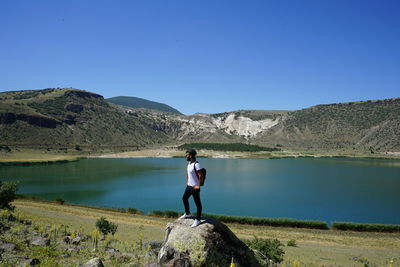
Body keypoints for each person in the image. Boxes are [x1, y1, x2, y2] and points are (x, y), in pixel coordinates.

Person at [179, 149, 204, 228]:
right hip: (189, 186)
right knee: (184, 198)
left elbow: (201, 175)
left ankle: (198, 220)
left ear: (190, 155)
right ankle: (187, 213)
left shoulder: (196, 164)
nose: (185, 156)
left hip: (195, 187)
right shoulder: (189, 164)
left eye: (186, 155)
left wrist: (198, 186)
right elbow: (188, 174)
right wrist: (187, 182)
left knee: (198, 204)